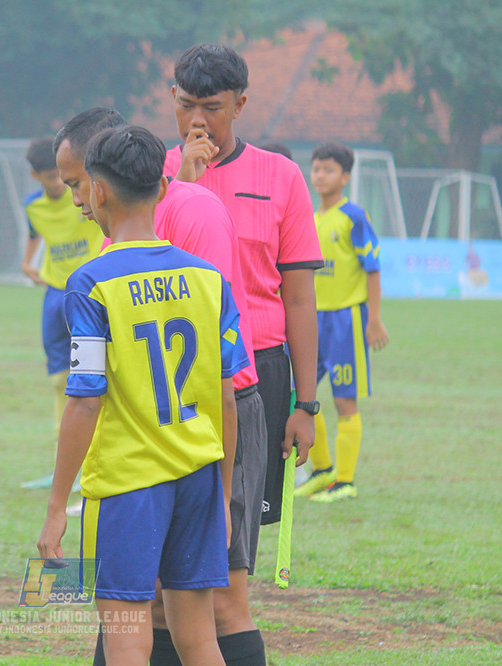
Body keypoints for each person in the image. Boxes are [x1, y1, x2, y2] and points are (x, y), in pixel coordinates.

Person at [52, 107, 267, 666]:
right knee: (198, 640)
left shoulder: (92, 282)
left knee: (128, 639)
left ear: (98, 193)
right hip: (198, 477)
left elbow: (84, 399)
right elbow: (227, 396)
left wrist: (56, 505)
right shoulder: (206, 279)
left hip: (128, 485)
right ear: (163, 185)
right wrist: (222, 495)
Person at [164, 43, 325, 665]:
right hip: (171, 378)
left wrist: (305, 402)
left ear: (241, 104)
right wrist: (183, 184)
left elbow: (300, 299)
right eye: (185, 106)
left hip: (255, 377)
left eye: (212, 107)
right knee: (153, 575)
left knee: (226, 574)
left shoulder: (280, 177)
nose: (197, 121)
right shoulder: (151, 174)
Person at [295, 142, 389, 502]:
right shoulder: (310, 218)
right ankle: (322, 471)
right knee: (301, 396)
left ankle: (345, 481)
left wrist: (374, 319)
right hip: (312, 321)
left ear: (345, 176)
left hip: (346, 320)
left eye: (328, 170)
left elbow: (373, 268)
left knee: (344, 401)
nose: (320, 176)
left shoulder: (354, 217)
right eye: (316, 169)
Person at [20, 137, 105, 490]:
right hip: (56, 293)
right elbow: (33, 234)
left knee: (92, 377)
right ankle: (64, 462)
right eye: (50, 177)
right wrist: (27, 263)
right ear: (35, 176)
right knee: (58, 377)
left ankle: (91, 459)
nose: (59, 184)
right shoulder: (33, 207)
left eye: (62, 177)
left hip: (88, 289)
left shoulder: (83, 196)